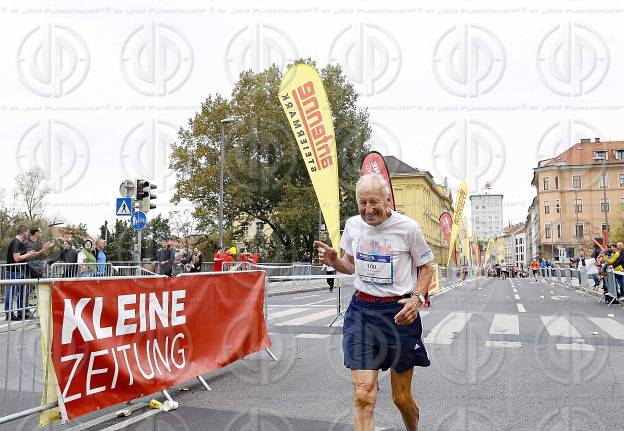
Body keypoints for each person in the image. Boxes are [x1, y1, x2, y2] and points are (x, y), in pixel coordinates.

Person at [315, 173, 434, 431]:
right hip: (362, 312)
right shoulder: (353, 225)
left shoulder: (408, 228)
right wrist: (335, 261)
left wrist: (416, 299)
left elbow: (427, 268)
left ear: (387, 200)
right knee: (363, 394)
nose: (368, 210)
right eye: (362, 203)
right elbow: (349, 265)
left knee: (400, 398)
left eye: (374, 202)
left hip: (398, 314)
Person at [3, 225, 37, 320]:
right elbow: (16, 258)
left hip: (18, 272)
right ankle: (9, 314)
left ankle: (18, 313)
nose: (28, 234)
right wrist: (29, 254)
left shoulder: (19, 243)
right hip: (14, 272)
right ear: (24, 232)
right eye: (27, 232)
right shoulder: (16, 242)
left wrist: (30, 254)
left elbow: (21, 256)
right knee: (11, 293)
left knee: (18, 293)